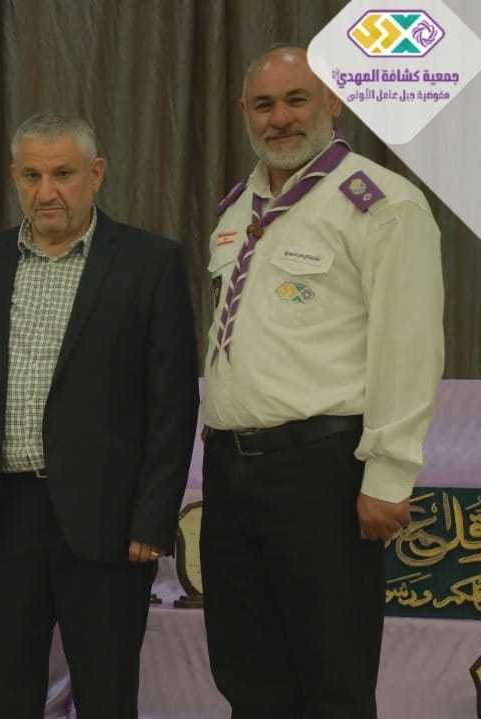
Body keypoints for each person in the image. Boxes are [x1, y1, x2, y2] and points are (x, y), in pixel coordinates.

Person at [199, 45, 444, 717]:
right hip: (231, 469)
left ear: (334, 101)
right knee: (246, 671)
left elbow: (408, 345)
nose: (279, 118)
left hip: (322, 470)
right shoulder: (236, 208)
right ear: (243, 112)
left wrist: (389, 474)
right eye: (263, 104)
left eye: (296, 99)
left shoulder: (382, 203)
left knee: (332, 674)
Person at [0, 112, 199, 718]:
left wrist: (154, 517)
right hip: (0, 520)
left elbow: (172, 402)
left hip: (109, 524)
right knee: (5, 698)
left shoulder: (149, 262)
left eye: (63, 174)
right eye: (32, 176)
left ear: (96, 174)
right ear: (14, 177)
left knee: (107, 697)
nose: (46, 191)